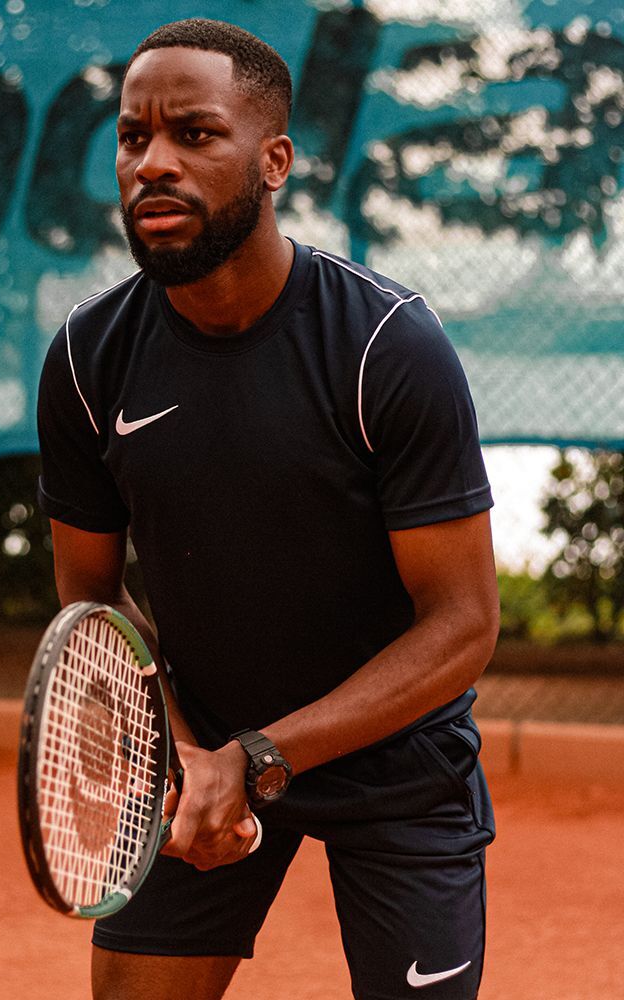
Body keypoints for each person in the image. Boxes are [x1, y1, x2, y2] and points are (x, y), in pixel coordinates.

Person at [36, 18, 499, 1000]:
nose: (151, 163)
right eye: (131, 138)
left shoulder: (385, 347)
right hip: (199, 753)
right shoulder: (87, 358)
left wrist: (259, 759)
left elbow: (460, 626)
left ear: (272, 159)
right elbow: (88, 608)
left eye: (194, 135)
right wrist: (182, 757)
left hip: (398, 766)